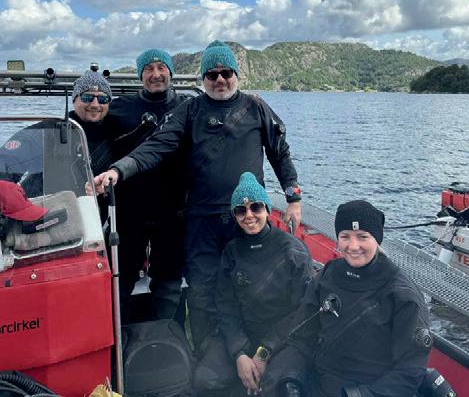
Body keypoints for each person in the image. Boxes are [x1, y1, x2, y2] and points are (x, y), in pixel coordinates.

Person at [94, 40, 302, 350]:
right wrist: (119, 170)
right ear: (203, 79)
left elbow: (279, 152)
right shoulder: (189, 110)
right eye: (212, 74)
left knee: (250, 284)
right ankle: (207, 352)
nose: (220, 80)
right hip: (201, 219)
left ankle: (252, 351)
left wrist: (293, 198)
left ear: (236, 75)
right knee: (202, 291)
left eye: (226, 73)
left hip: (246, 216)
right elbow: (157, 146)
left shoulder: (256, 107)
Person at [286, 200, 431, 397]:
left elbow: (410, 370)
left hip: (371, 390)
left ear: (377, 239)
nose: (353, 246)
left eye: (363, 237)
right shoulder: (328, 275)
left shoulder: (402, 295)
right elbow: (301, 336)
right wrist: (289, 378)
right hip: (320, 383)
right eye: (345, 237)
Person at [194, 172, 313, 397]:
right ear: (235, 216)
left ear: (267, 209)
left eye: (256, 207)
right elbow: (226, 306)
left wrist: (265, 351)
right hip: (245, 335)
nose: (249, 216)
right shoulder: (231, 252)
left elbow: (304, 311)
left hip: (284, 339)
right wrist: (239, 353)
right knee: (205, 380)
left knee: (281, 388)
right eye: (241, 210)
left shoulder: (293, 251)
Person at [104, 48, 190, 323]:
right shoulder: (119, 108)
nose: (156, 74)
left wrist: (249, 101)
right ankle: (119, 335)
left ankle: (165, 334)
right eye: (149, 69)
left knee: (169, 280)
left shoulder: (190, 106)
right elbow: (88, 122)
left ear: (170, 72)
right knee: (121, 279)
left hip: (174, 211)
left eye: (161, 68)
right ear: (140, 75)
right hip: (130, 212)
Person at [0, 70, 114, 212]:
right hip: (47, 213)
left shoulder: (117, 132)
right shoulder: (48, 131)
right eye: (87, 97)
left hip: (97, 214)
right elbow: (4, 161)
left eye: (102, 99)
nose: (95, 104)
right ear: (74, 99)